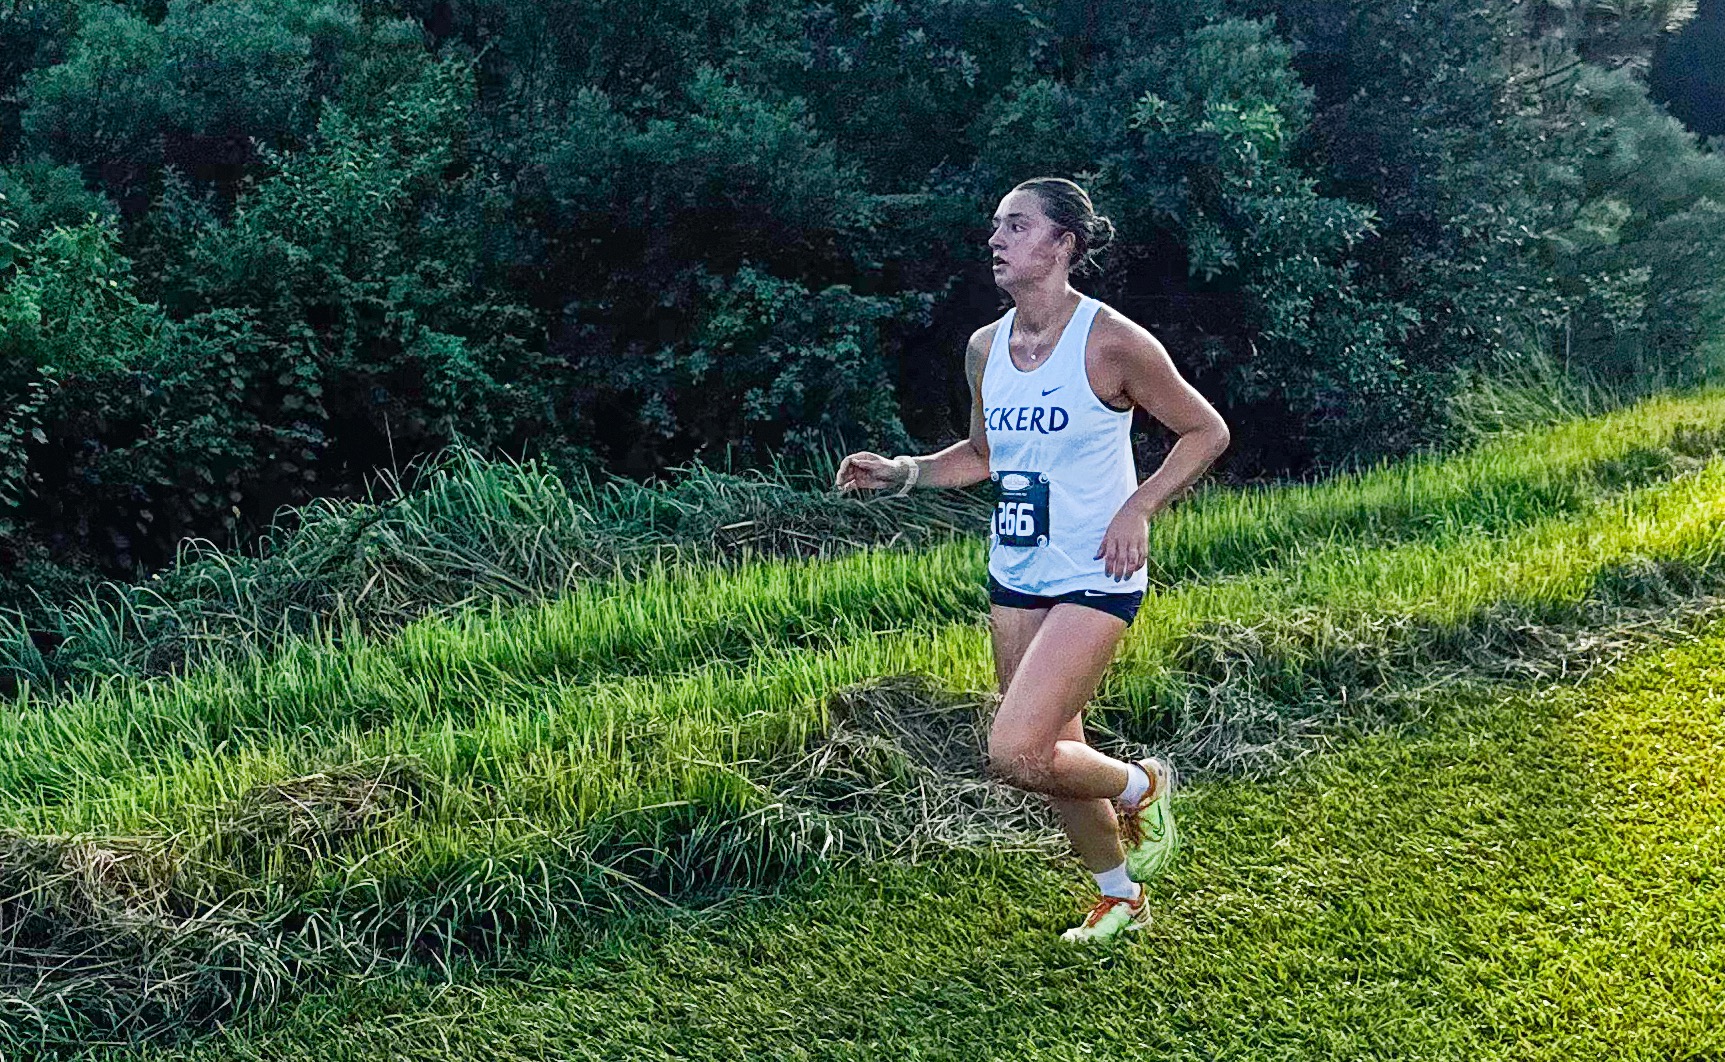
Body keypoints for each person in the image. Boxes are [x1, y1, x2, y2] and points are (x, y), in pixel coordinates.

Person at [835, 177, 1230, 942]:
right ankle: (1120, 896)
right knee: (1053, 751)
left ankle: (1142, 783)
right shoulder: (986, 348)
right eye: (995, 227)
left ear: (1062, 245)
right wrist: (904, 471)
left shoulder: (1111, 341)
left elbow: (1204, 431)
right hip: (1015, 570)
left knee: (1015, 752)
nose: (996, 240)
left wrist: (1137, 507)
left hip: (1096, 570)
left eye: (1015, 227)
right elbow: (982, 455)